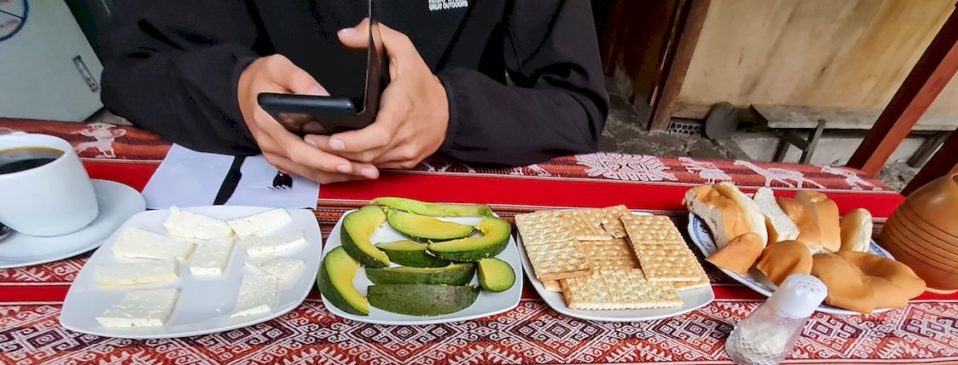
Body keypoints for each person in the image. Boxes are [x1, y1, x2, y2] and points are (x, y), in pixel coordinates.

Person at [98, 1, 609, 183]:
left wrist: (450, 111)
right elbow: (133, 73)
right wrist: (234, 91)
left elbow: (578, 107)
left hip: (448, 200)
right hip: (251, 203)